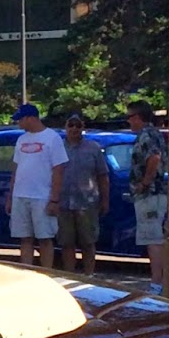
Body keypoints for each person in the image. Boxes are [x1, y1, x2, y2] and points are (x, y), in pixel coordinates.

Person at [9, 102, 67, 269]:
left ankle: (46, 273)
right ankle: (27, 272)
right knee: (25, 238)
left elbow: (58, 169)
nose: (19, 123)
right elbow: (16, 168)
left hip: (42, 196)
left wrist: (54, 199)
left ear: (31, 118)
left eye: (21, 119)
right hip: (21, 195)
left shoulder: (52, 138)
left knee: (44, 238)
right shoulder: (21, 139)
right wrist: (10, 196)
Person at [58, 111, 109, 275]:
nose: (74, 128)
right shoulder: (57, 147)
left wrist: (105, 200)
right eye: (70, 125)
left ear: (83, 127)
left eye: (78, 125)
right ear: (65, 127)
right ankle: (70, 276)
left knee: (88, 242)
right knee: (66, 243)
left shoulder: (93, 148)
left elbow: (103, 176)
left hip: (87, 203)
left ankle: (89, 275)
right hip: (63, 202)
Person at [126, 98, 168, 292]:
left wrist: (144, 182)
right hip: (152, 194)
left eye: (130, 117)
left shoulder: (147, 135)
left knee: (152, 238)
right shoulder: (154, 134)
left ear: (139, 116)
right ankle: (161, 280)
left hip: (151, 194)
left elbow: (154, 157)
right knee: (154, 236)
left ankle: (156, 283)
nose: (128, 121)